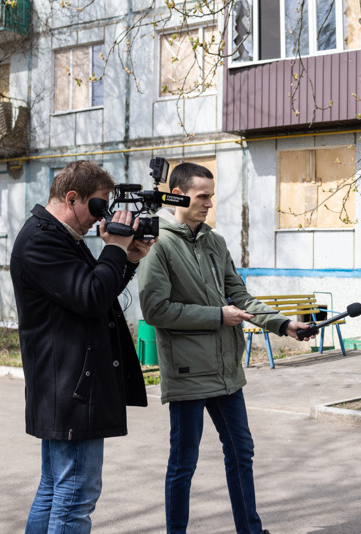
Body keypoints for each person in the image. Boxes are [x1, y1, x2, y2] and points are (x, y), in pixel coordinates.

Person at [137, 162, 311, 534]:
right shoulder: (157, 242)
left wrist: (283, 324)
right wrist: (218, 315)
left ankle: (251, 530)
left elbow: (240, 297)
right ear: (177, 195)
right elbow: (155, 310)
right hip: (188, 373)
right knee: (184, 462)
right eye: (202, 196)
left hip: (226, 372)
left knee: (241, 452)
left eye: (211, 196)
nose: (209, 204)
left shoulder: (214, 241)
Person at [10, 160, 154, 533]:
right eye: (97, 206)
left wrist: (128, 259)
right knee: (75, 499)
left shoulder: (59, 237)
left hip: (68, 385)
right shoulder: (42, 240)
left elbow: (95, 293)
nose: (100, 217)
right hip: (71, 389)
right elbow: (91, 296)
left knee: (54, 490)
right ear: (72, 198)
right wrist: (115, 247)